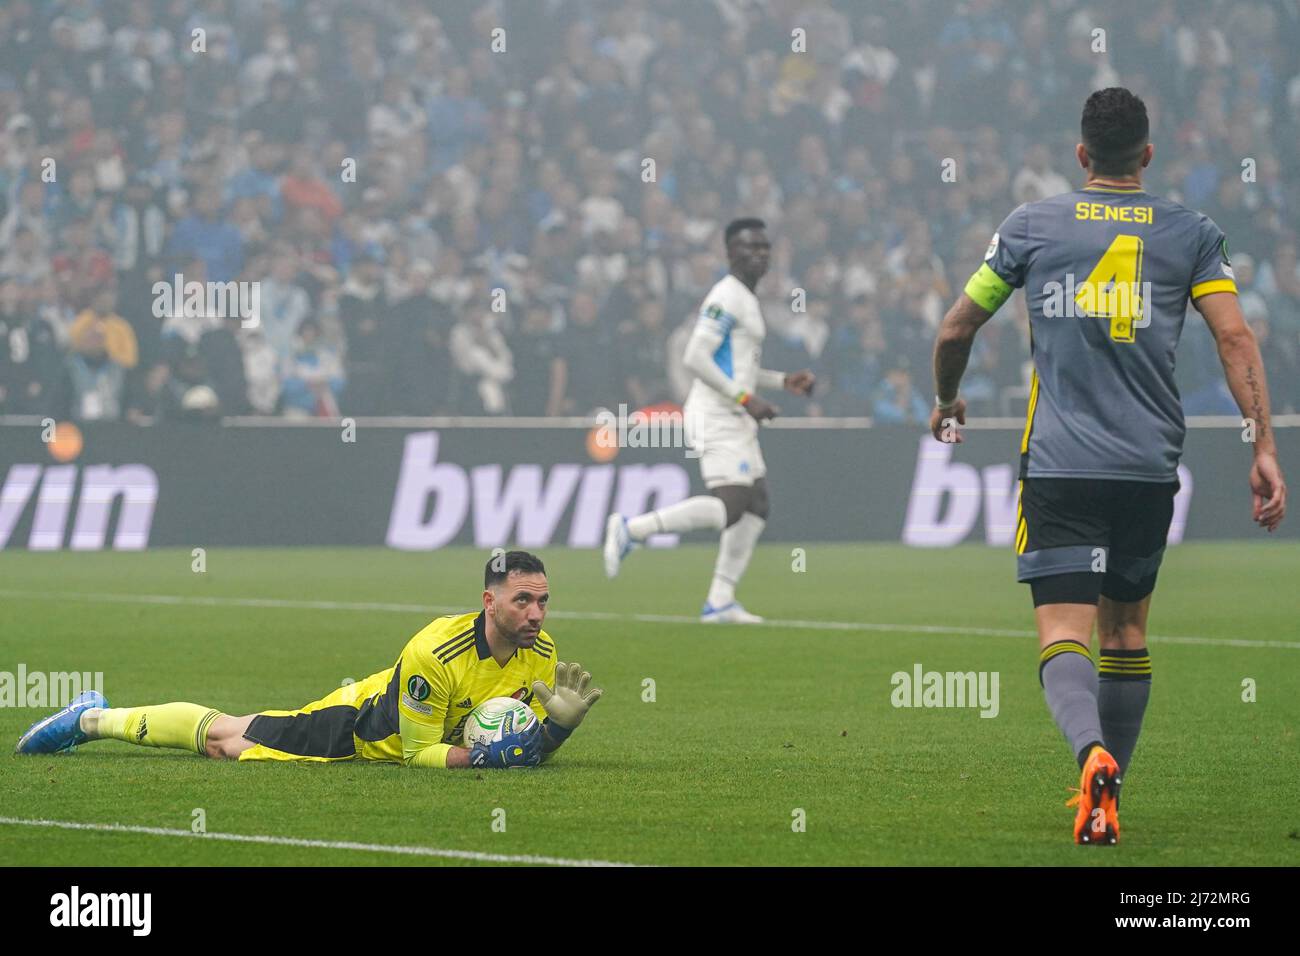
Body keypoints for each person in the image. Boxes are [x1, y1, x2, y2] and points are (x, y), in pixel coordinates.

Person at [928, 88, 1287, 845]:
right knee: (1126, 632)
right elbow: (1236, 341)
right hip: (1149, 468)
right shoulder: (1190, 233)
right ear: (1148, 156)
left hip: (1059, 466)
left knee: (1065, 632)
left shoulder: (1030, 226)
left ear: (1082, 155)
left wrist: (948, 398)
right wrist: (1262, 445)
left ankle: (1090, 759)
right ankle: (1106, 789)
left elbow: (957, 325)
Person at [17, 552, 603, 770]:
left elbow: (517, 744)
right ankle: (90, 720)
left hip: (387, 733)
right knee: (228, 741)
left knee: (233, 738)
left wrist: (558, 728)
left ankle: (94, 718)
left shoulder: (541, 654)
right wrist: (488, 759)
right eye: (522, 600)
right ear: (489, 600)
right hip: (355, 728)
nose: (535, 613)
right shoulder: (435, 652)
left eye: (543, 601)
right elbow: (417, 752)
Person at [603, 218, 815, 623]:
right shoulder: (725, 296)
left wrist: (781, 381)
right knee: (730, 505)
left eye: (764, 247)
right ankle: (632, 529)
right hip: (715, 413)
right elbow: (695, 357)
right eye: (750, 248)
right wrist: (746, 398)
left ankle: (720, 600)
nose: (760, 254)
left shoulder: (747, 299)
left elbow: (739, 368)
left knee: (757, 504)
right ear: (730, 254)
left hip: (734, 411)